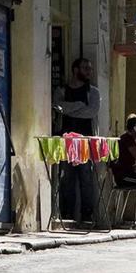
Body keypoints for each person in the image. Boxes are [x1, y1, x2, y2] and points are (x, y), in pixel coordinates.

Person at [53, 57, 100, 224]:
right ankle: (67, 215)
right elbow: (57, 106)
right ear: (75, 70)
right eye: (85, 68)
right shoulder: (61, 90)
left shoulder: (93, 92)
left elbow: (91, 112)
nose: (89, 71)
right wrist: (79, 105)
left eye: (90, 68)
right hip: (65, 141)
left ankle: (87, 216)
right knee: (66, 178)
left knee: (86, 178)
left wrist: (68, 109)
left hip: (85, 141)